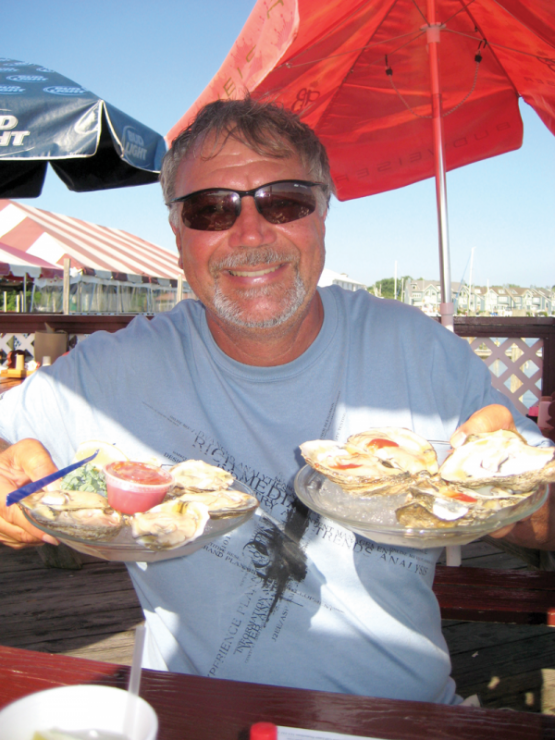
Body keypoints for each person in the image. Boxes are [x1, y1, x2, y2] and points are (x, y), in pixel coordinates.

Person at [0, 98, 553, 704]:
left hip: (399, 718)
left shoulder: (417, 349)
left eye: (284, 201)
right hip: (196, 717)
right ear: (178, 233)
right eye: (211, 209)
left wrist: (516, 495)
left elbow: (543, 521)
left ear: (322, 213)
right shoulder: (114, 371)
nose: (251, 234)